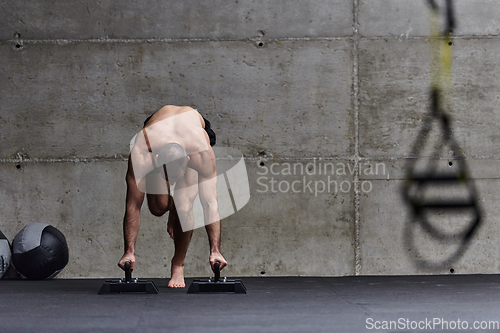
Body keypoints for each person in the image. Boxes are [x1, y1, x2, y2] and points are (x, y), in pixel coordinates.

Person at [118, 105, 227, 288]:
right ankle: (172, 208)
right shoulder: (143, 150)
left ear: (188, 162)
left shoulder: (200, 152)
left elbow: (210, 204)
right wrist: (129, 251)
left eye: (176, 177)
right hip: (157, 131)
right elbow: (133, 205)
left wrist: (215, 250)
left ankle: (178, 265)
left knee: (184, 208)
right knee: (157, 207)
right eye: (167, 176)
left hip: (193, 130)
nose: (173, 182)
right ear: (157, 160)